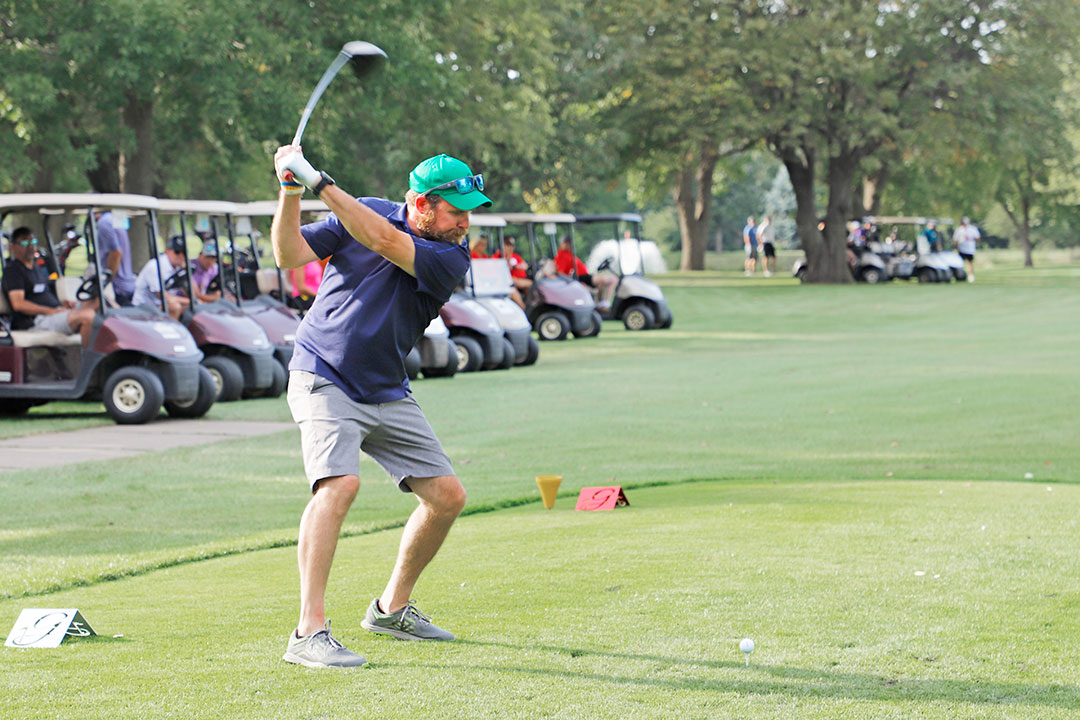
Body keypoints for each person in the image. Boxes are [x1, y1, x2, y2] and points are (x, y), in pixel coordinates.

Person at [272, 146, 484, 668]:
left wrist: (319, 180)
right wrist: (291, 190)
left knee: (447, 496)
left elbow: (384, 240)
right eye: (457, 211)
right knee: (339, 484)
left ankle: (390, 608)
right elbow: (289, 254)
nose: (466, 223)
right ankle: (308, 631)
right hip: (323, 372)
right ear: (423, 203)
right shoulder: (361, 208)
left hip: (386, 386)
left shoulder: (450, 255)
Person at [1, 227, 95, 344]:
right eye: (25, 242)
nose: (30, 246)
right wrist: (50, 311)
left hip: (54, 313)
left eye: (33, 241)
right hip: (38, 320)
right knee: (87, 315)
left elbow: (42, 294)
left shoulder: (36, 268)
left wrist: (62, 304)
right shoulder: (13, 270)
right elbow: (18, 304)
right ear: (14, 246)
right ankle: (92, 360)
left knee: (97, 302)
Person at [132, 235, 190, 320]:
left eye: (184, 253)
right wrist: (189, 301)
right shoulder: (155, 266)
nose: (180, 255)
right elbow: (163, 296)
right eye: (177, 252)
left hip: (161, 304)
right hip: (144, 306)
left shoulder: (179, 267)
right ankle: (171, 332)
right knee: (174, 306)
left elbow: (190, 292)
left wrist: (186, 273)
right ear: (167, 251)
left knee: (192, 309)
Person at [554, 234, 616, 310]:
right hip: (580, 277)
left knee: (601, 284)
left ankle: (600, 304)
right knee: (611, 279)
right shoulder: (562, 256)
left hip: (584, 276)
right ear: (562, 244)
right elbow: (560, 273)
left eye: (570, 243)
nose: (570, 245)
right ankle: (605, 302)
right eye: (567, 243)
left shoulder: (569, 254)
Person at [94, 210, 136, 306]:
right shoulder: (116, 218)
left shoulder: (104, 222)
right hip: (128, 283)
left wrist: (108, 281)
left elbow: (116, 252)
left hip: (117, 287)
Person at [492, 235, 530, 310]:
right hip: (506, 282)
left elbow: (525, 266)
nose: (510, 247)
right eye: (508, 244)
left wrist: (515, 266)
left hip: (520, 279)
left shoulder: (515, 256)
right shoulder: (498, 256)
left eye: (512, 245)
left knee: (532, 286)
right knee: (513, 288)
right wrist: (508, 256)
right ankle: (523, 309)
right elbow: (504, 267)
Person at [953, 216, 980, 283]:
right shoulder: (959, 230)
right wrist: (956, 247)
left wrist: (970, 238)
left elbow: (977, 237)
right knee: (961, 263)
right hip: (961, 248)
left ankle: (971, 276)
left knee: (970, 262)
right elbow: (956, 240)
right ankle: (961, 275)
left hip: (970, 249)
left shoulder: (972, 229)